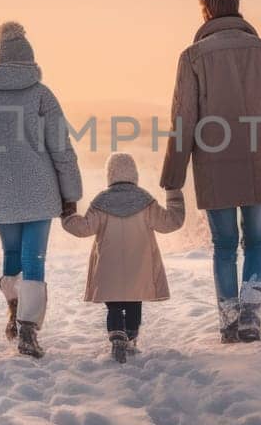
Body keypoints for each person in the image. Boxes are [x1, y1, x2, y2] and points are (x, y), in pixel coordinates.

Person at [161, 0, 261, 343]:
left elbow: (183, 120)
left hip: (214, 168)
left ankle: (229, 321)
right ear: (237, 7)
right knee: (256, 243)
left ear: (205, 11)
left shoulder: (192, 57)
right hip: (258, 164)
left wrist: (173, 176)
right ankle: (251, 316)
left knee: (223, 246)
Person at [0, 21, 82, 358]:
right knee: (34, 258)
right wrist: (70, 194)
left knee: (12, 255)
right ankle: (29, 328)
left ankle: (15, 313)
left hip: (0, 192)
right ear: (29, 57)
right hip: (41, 193)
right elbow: (61, 147)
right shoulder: (42, 94)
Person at [61, 153, 186, 363]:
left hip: (108, 269)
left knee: (115, 305)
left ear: (109, 175)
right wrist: (173, 195)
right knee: (134, 303)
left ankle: (117, 333)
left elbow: (84, 228)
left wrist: (67, 214)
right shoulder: (145, 201)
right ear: (134, 175)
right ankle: (131, 336)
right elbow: (171, 222)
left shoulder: (101, 202)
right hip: (139, 267)